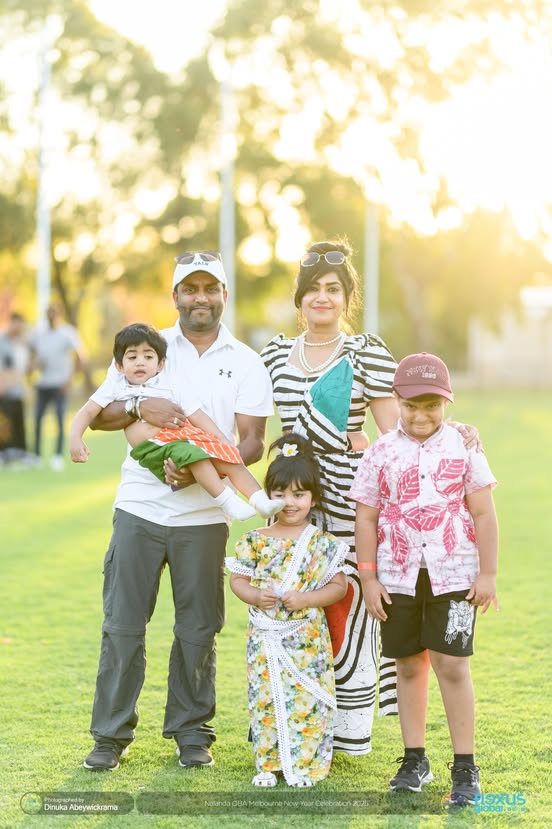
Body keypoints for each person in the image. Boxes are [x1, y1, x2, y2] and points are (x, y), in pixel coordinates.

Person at [260, 239, 479, 756]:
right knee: (292, 605)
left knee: (349, 605)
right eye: (313, 289)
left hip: (350, 499)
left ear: (347, 297)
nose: (322, 298)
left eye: (333, 289)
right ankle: (294, 719)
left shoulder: (366, 352)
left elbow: (397, 434)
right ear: (299, 298)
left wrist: (456, 431)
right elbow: (251, 428)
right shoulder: (272, 354)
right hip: (292, 503)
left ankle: (346, 729)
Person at [82, 251, 274, 772]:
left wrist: (197, 467)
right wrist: (142, 407)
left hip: (205, 517)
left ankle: (192, 733)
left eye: (209, 288)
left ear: (223, 295)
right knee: (122, 626)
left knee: (198, 629)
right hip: (140, 509)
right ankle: (109, 736)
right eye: (190, 289)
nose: (200, 298)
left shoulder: (247, 360)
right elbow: (103, 415)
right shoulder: (143, 345)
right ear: (176, 297)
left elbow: (253, 441)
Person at [350, 352, 498, 807]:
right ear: (396, 401)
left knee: (452, 665)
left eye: (431, 405)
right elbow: (366, 519)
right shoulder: (379, 453)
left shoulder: (464, 446)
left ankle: (465, 766)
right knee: (409, 665)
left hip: (455, 577)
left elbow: (484, 512)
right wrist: (369, 579)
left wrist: (489, 573)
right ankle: (415, 758)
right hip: (397, 579)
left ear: (447, 403)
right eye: (410, 405)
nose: (420, 415)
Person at [226, 433, 349, 788]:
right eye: (279, 494)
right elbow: (237, 580)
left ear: (313, 498)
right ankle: (268, 762)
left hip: (307, 639)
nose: (289, 502)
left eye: (298, 494)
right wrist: (254, 596)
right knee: (265, 697)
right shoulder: (256, 540)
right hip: (265, 639)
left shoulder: (322, 544)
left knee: (306, 699)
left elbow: (338, 586)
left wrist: (307, 599)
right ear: (268, 496)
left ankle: (308, 765)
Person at [69, 323, 284, 522]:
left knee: (227, 456)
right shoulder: (117, 385)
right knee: (195, 456)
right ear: (119, 365)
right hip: (155, 448)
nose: (140, 362)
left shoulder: (170, 383)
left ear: (161, 364)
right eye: (132, 357)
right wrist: (75, 438)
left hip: (183, 437)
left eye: (148, 356)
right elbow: (88, 411)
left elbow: (196, 414)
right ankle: (227, 501)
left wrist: (219, 438)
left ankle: (260, 501)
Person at [29, 304, 85, 470]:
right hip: (43, 383)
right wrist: (33, 369)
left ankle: (57, 456)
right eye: (48, 314)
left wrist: (70, 380)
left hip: (60, 384)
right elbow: (33, 355)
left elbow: (81, 357)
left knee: (60, 421)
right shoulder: (39, 333)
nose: (50, 317)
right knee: (37, 420)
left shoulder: (68, 333)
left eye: (53, 314)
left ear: (58, 315)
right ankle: (36, 456)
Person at [0, 312, 32, 465]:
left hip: (18, 389)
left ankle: (21, 452)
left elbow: (24, 367)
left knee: (19, 422)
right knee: (4, 424)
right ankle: (4, 453)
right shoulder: (2, 341)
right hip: (4, 390)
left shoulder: (23, 343)